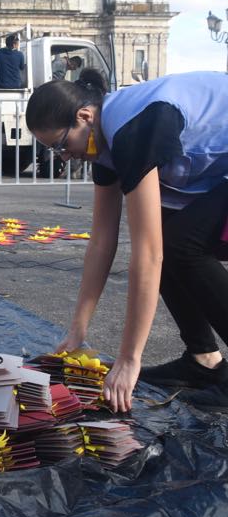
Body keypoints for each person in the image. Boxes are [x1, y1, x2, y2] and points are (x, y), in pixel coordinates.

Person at [25, 71, 228, 413]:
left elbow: (148, 255)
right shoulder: (105, 143)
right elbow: (102, 242)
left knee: (179, 245)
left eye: (61, 144)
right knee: (171, 237)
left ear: (84, 117)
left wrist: (129, 360)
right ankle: (203, 359)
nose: (63, 156)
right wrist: (77, 332)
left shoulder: (134, 129)